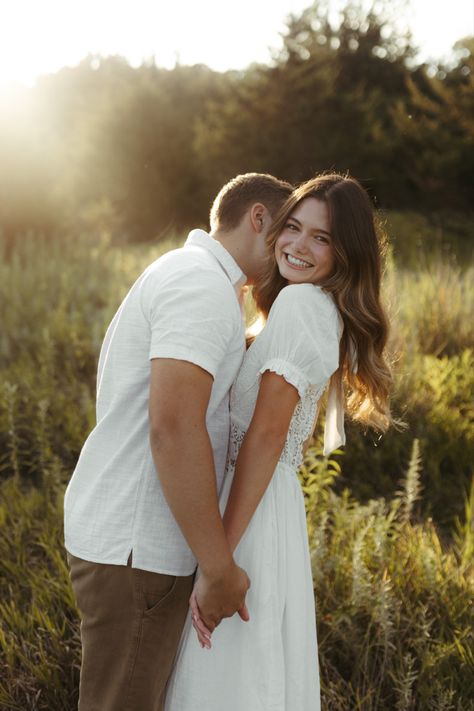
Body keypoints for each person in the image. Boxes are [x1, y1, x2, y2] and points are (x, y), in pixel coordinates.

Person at [63, 172, 293, 711]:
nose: (289, 255)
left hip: (130, 541)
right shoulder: (200, 286)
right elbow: (173, 427)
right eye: (286, 234)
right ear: (259, 218)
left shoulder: (192, 275)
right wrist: (219, 567)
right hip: (139, 549)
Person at [164, 173, 394, 710]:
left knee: (224, 679)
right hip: (263, 504)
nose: (298, 245)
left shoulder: (302, 307)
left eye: (322, 238)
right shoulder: (302, 308)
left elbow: (265, 436)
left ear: (347, 253)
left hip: (248, 512)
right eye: (293, 227)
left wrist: (218, 561)